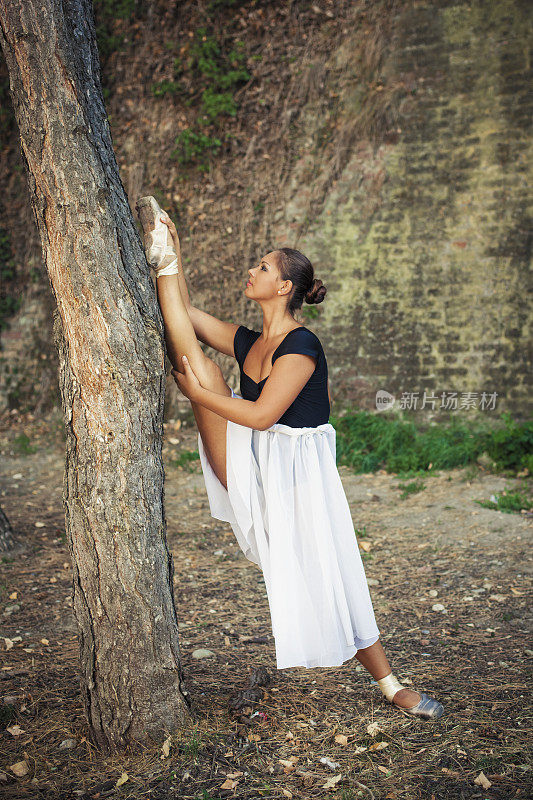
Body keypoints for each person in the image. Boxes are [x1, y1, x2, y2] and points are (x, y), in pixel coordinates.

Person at [136, 195, 444, 720]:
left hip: (300, 476)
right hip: (257, 462)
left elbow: (260, 415)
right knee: (196, 359)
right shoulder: (252, 341)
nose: (251, 270)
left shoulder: (301, 346)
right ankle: (161, 259)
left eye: (262, 266)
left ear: (284, 287)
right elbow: (183, 314)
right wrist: (174, 257)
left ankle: (390, 683)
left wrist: (197, 397)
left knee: (336, 574)